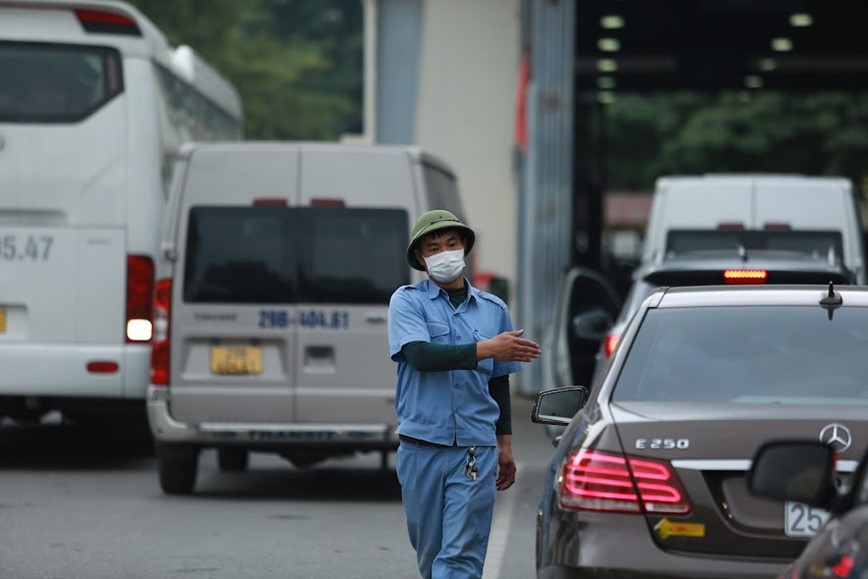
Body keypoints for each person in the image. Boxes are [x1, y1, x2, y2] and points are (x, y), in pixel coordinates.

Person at [387, 209, 541, 579]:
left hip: (475, 448)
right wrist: (487, 349)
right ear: (422, 259)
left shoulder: (493, 309)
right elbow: (419, 355)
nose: (444, 252)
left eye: (452, 244)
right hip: (421, 444)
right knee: (432, 556)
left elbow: (498, 382)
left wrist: (504, 445)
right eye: (434, 247)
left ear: (465, 248)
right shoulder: (407, 302)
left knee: (460, 558)